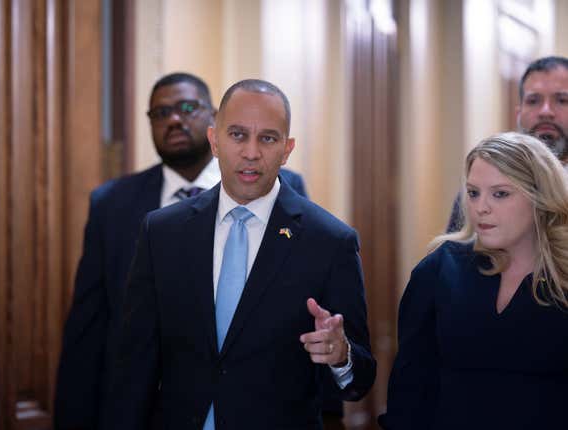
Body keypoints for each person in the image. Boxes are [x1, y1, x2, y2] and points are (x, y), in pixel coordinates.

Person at [105, 79, 376, 429]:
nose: (251, 152)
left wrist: (342, 356)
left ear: (287, 148)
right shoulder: (162, 233)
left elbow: (361, 378)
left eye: (267, 138)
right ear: (214, 140)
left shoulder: (329, 241)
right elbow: (134, 366)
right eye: (237, 135)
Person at [53, 73, 307, 429]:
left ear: (214, 123)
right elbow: (89, 327)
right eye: (160, 113)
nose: (173, 119)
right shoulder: (112, 204)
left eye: (187, 108)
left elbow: (305, 308)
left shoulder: (282, 187)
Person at [379, 132, 568, 429]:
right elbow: (410, 389)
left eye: (500, 194)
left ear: (539, 197)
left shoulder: (563, 278)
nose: (481, 208)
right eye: (473, 192)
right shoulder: (440, 269)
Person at [446, 55, 568, 232]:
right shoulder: (482, 188)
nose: (545, 111)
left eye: (562, 100)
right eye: (533, 101)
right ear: (519, 113)